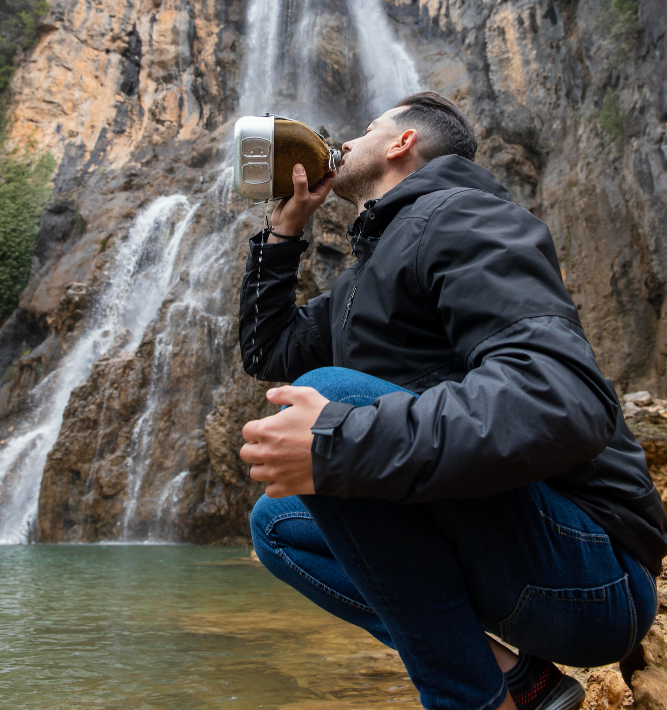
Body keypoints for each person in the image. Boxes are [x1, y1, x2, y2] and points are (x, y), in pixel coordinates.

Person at [238, 91, 666, 710]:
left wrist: (342, 441)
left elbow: (565, 398)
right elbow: (269, 349)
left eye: (366, 128)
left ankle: (465, 700)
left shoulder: (464, 217)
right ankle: (519, 684)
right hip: (522, 569)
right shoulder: (366, 275)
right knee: (275, 526)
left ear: (402, 143)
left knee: (329, 404)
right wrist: (284, 233)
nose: (348, 140)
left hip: (595, 574)